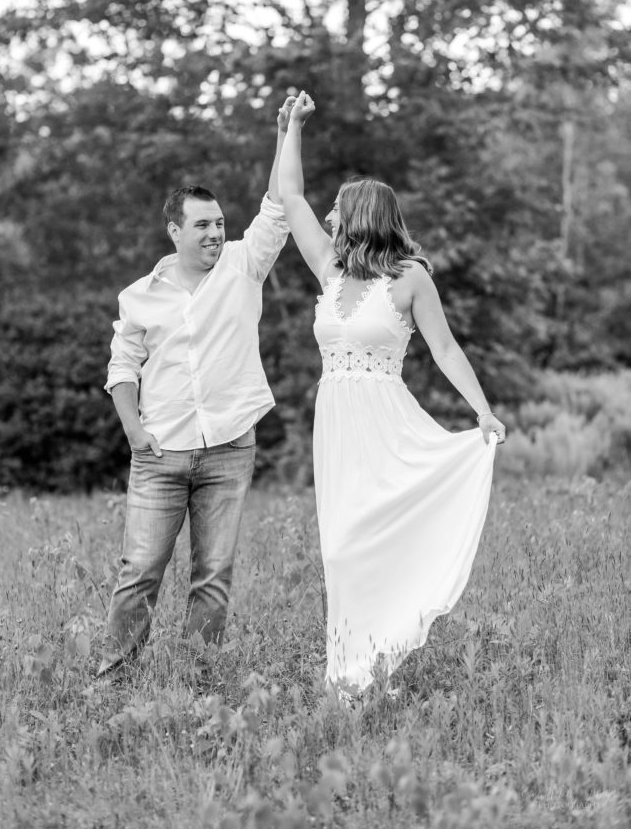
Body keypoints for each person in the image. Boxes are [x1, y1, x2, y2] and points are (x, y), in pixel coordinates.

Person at [277, 91, 507, 698]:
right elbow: (288, 196)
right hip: (338, 423)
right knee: (340, 546)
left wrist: (481, 412)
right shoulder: (328, 269)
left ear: (362, 216)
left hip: (386, 421)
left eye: (337, 210)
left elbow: (446, 349)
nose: (326, 217)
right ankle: (350, 675)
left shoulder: (411, 278)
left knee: (372, 541)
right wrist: (290, 129)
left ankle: (369, 670)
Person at [97, 98, 296, 680]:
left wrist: (285, 135)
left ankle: (197, 683)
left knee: (213, 575)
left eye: (219, 224)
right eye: (202, 225)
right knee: (139, 572)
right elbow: (122, 365)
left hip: (230, 446)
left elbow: (277, 208)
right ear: (174, 230)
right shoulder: (141, 295)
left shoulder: (242, 268)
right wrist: (135, 431)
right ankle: (113, 680)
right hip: (162, 452)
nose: (215, 233)